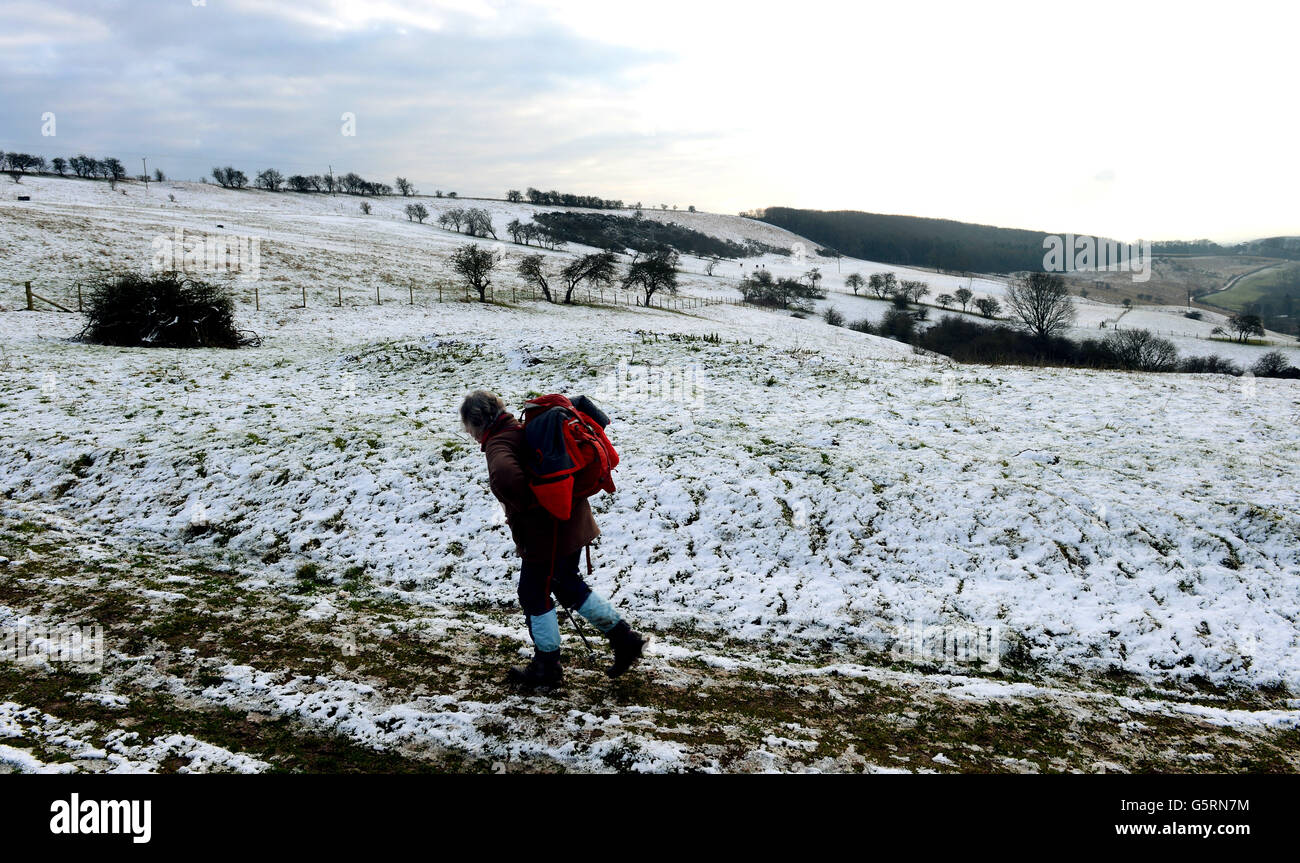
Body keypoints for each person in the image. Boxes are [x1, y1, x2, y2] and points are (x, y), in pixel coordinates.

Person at [459, 389, 647, 688]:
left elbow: (507, 477)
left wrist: (530, 510)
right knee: (565, 584)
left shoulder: (498, 445)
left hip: (548, 534)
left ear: (476, 423)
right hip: (570, 521)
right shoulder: (521, 429)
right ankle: (624, 640)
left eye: (467, 427)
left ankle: (547, 666)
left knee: (533, 593)